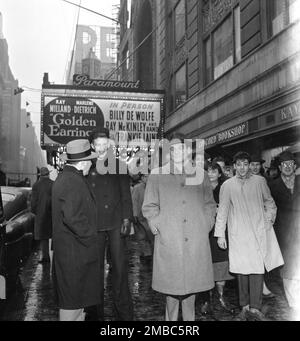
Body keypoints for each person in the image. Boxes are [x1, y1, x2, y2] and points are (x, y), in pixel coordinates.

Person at [142, 133, 216, 321]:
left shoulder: (201, 175)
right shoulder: (157, 175)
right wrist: (156, 223)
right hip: (170, 239)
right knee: (171, 291)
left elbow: (209, 204)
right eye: (172, 149)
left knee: (192, 290)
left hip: (195, 239)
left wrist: (207, 223)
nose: (177, 152)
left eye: (181, 148)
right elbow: (149, 205)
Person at [215, 151, 284, 321]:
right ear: (234, 166)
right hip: (238, 234)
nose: (243, 168)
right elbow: (222, 211)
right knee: (241, 272)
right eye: (239, 164)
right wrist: (220, 235)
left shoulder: (260, 181)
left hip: (257, 234)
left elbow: (270, 203)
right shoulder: (228, 185)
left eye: (246, 164)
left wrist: (268, 220)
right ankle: (244, 307)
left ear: (249, 165)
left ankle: (255, 308)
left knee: (257, 271)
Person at [86, 128, 133, 321]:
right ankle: (95, 313)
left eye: (105, 143)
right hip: (94, 224)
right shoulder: (86, 166)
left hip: (115, 223)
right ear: (92, 145)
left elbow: (126, 195)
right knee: (94, 270)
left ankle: (124, 313)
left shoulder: (119, 165)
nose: (102, 147)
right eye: (98, 144)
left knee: (120, 269)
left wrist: (126, 219)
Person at [52, 139, 101, 321]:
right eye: (90, 161)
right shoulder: (72, 181)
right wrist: (92, 236)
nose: (91, 165)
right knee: (72, 306)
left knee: (79, 305)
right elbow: (73, 218)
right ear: (82, 163)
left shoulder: (70, 178)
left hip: (74, 254)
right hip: (75, 256)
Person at [200, 161, 234, 315]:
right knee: (204, 263)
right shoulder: (199, 187)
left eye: (214, 171)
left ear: (220, 174)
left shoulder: (225, 188)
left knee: (221, 263)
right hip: (203, 230)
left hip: (221, 230)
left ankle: (220, 296)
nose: (211, 173)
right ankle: (206, 299)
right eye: (208, 171)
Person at [269, 151, 300, 318]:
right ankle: (294, 303)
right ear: (280, 168)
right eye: (284, 165)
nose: (288, 167)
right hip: (284, 234)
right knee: (288, 270)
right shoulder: (272, 186)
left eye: (291, 164)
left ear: (294, 167)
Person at [249, 154, 276, 298]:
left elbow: (270, 201)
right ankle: (258, 287)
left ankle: (262, 285)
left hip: (262, 224)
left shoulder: (265, 181)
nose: (254, 167)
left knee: (262, 254)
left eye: (257, 164)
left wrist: (268, 219)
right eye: (251, 164)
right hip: (247, 224)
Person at [31, 167, 53, 263]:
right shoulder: (53, 184)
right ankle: (52, 256)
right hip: (51, 214)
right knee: (52, 235)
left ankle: (46, 257)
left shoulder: (36, 185)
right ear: (48, 174)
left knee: (43, 237)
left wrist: (35, 211)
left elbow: (33, 202)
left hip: (41, 214)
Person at [132, 173, 154, 260]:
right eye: (145, 176)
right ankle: (146, 254)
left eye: (148, 175)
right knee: (142, 236)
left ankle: (150, 253)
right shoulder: (137, 188)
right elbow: (134, 201)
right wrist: (135, 215)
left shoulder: (153, 187)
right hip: (140, 217)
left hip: (151, 216)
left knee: (151, 236)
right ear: (142, 178)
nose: (147, 177)